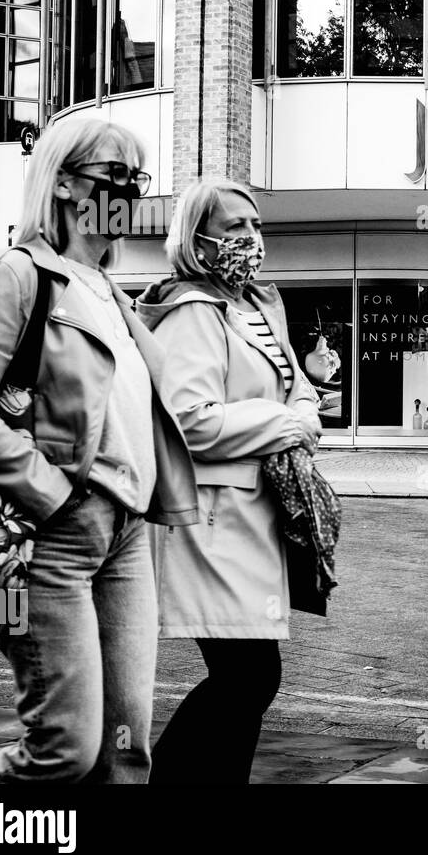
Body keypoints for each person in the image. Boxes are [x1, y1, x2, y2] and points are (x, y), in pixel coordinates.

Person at [0, 118, 199, 783]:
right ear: (66, 183)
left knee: (126, 750)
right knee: (64, 749)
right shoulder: (21, 277)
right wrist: (50, 489)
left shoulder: (108, 289)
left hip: (128, 534)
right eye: (114, 178)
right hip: (56, 535)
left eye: (138, 180)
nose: (129, 193)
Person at [136, 178, 321, 785]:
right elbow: (191, 421)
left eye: (256, 225)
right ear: (198, 238)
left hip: (257, 519)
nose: (250, 238)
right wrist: (285, 423)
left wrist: (301, 416)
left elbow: (299, 388)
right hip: (212, 521)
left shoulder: (262, 305)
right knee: (248, 676)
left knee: (250, 681)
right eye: (234, 226)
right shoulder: (190, 309)